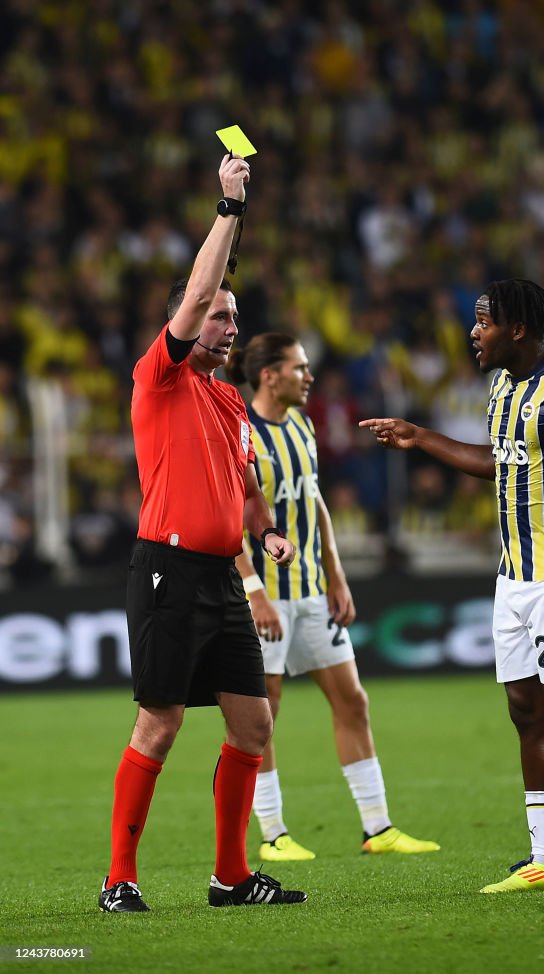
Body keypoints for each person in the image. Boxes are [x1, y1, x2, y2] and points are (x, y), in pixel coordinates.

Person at [101, 155, 307, 912]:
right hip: (167, 571)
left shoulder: (227, 406)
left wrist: (269, 531)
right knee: (160, 722)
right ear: (188, 323)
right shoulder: (159, 375)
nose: (230, 326)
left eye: (235, 318)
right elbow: (193, 293)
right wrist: (230, 207)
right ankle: (119, 879)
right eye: (219, 316)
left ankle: (230, 877)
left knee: (252, 723)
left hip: (220, 576)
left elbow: (246, 487)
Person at [360, 279, 544, 894]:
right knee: (525, 709)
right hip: (512, 576)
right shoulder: (500, 387)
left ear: (517, 328)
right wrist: (419, 438)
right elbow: (501, 459)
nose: (473, 332)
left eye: (483, 321)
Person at [224, 333, 439, 860]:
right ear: (269, 375)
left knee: (353, 701)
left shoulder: (301, 423)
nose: (309, 375)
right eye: (299, 367)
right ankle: (273, 835)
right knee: (262, 713)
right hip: (266, 596)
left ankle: (378, 828)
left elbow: (314, 500)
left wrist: (336, 574)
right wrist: (253, 592)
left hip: (312, 592)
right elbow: (229, 522)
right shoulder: (241, 432)